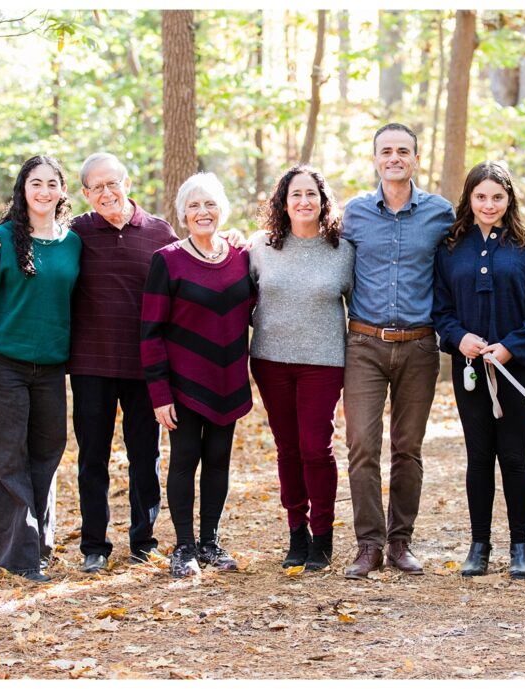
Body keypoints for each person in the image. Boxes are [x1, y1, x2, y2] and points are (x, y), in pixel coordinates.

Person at [0, 153, 241, 573]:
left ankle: (143, 540)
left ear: (127, 183)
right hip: (90, 364)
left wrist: (236, 240)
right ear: (82, 193)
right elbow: (31, 243)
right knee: (92, 457)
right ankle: (94, 545)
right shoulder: (76, 232)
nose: (106, 193)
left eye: (112, 183)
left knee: (144, 457)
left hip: (145, 368)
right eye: (96, 187)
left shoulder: (159, 232)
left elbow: (196, 259)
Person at [340, 124, 456, 579]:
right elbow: (314, 249)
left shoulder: (440, 214)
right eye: (386, 151)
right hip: (364, 345)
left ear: (416, 159)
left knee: (407, 448)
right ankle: (368, 544)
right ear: (374, 159)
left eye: (403, 151)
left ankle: (399, 542)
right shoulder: (353, 214)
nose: (394, 158)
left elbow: (469, 260)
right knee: (362, 445)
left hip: (419, 347)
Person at [432, 160, 525, 579]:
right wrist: (458, 337)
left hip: (515, 368)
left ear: (509, 200)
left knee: (514, 456)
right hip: (467, 365)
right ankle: (479, 545)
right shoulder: (450, 248)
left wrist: (510, 348)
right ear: (469, 198)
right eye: (481, 196)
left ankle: (521, 545)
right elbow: (440, 308)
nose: (489, 204)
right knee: (479, 456)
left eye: (497, 197)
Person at [0, 155, 82, 583]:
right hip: (3, 367)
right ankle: (16, 559)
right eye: (36, 183)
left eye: (52, 183)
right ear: (23, 189)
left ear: (63, 191)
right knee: (7, 461)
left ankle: (38, 547)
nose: (44, 191)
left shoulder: (73, 243)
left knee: (46, 455)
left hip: (51, 369)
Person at [141, 173, 253, 578]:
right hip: (183, 385)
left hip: (229, 380)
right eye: (193, 206)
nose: (202, 212)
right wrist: (159, 393)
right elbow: (150, 332)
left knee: (219, 461)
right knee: (185, 461)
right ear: (183, 214)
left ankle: (210, 542)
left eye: (209, 204)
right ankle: (184, 547)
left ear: (222, 209)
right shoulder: (167, 260)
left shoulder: (242, 257)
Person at [249, 165, 354, 572]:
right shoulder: (260, 246)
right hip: (271, 360)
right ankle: (297, 533)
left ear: (323, 200)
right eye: (296, 194)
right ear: (284, 202)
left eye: (312, 194)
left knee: (316, 447)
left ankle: (323, 535)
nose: (304, 201)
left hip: (323, 362)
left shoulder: (343, 250)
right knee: (288, 448)